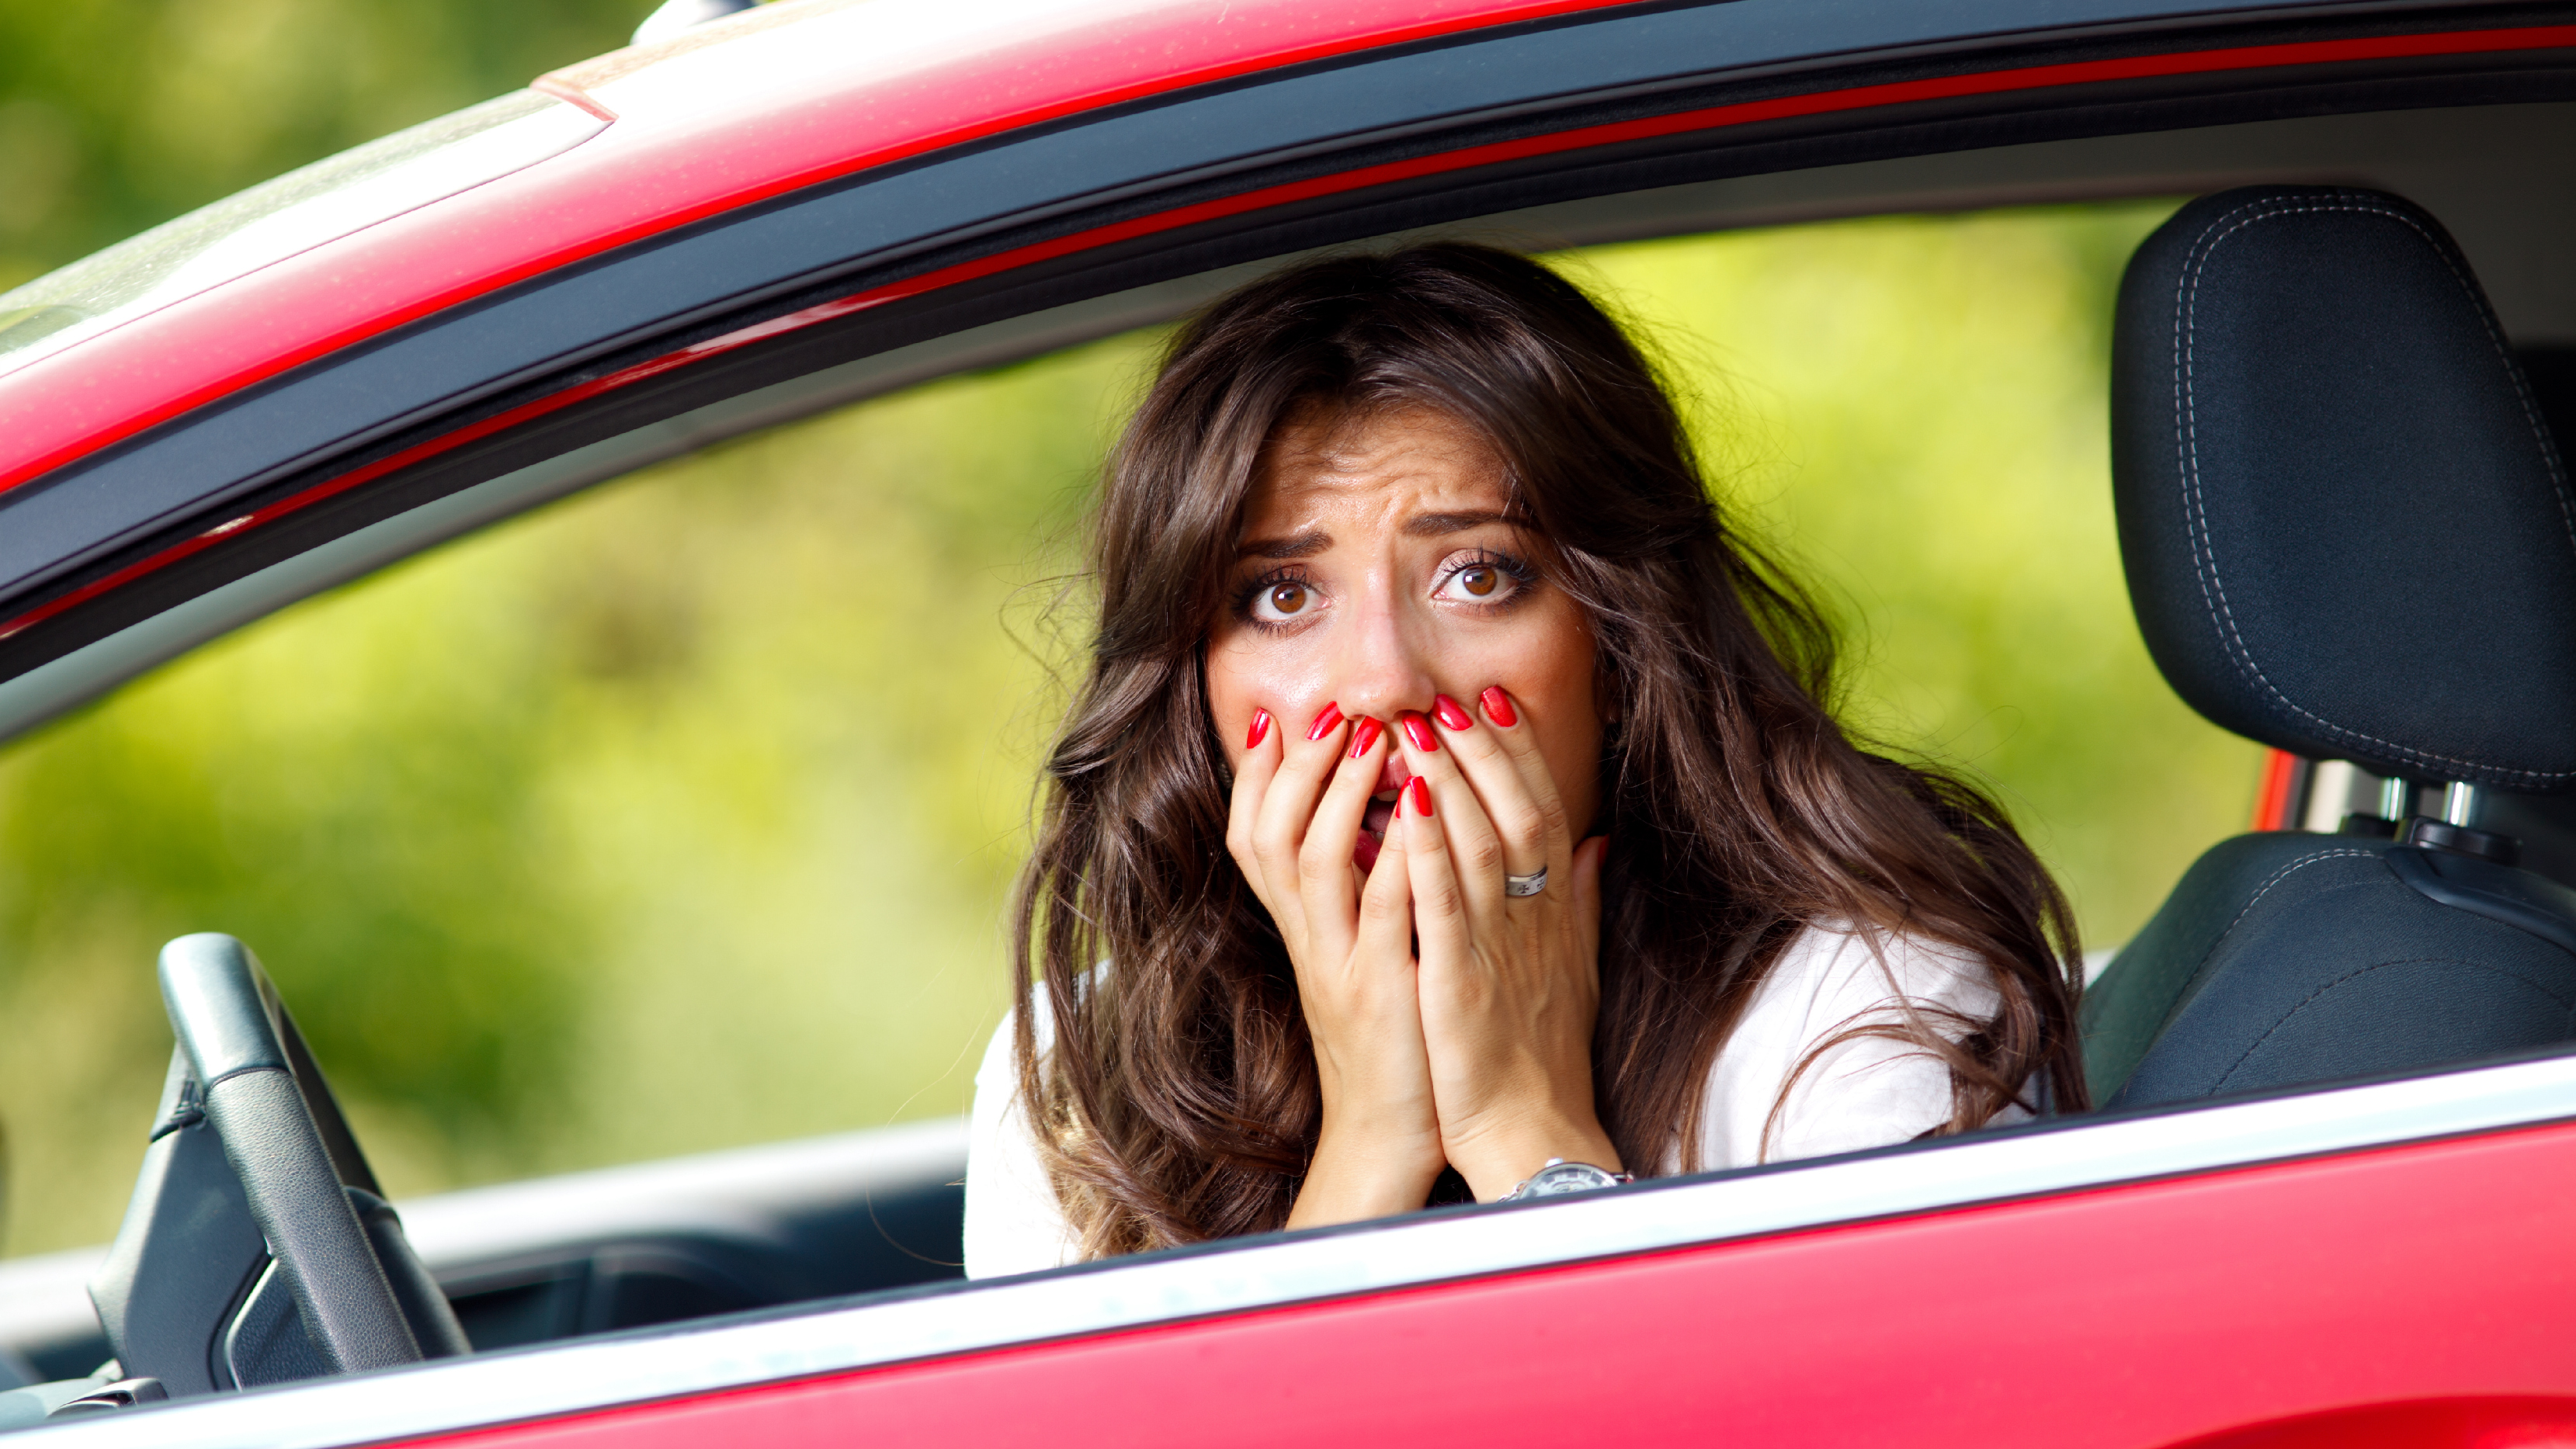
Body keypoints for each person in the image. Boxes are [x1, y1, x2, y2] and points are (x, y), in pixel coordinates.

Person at [963, 243, 2085, 1277]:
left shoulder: (1861, 996)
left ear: (1617, 642)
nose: (1383, 682)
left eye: (1477, 574)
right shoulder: (1080, 1062)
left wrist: (1527, 1135)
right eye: (1283, 595)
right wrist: (1367, 1153)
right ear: (1193, 680)